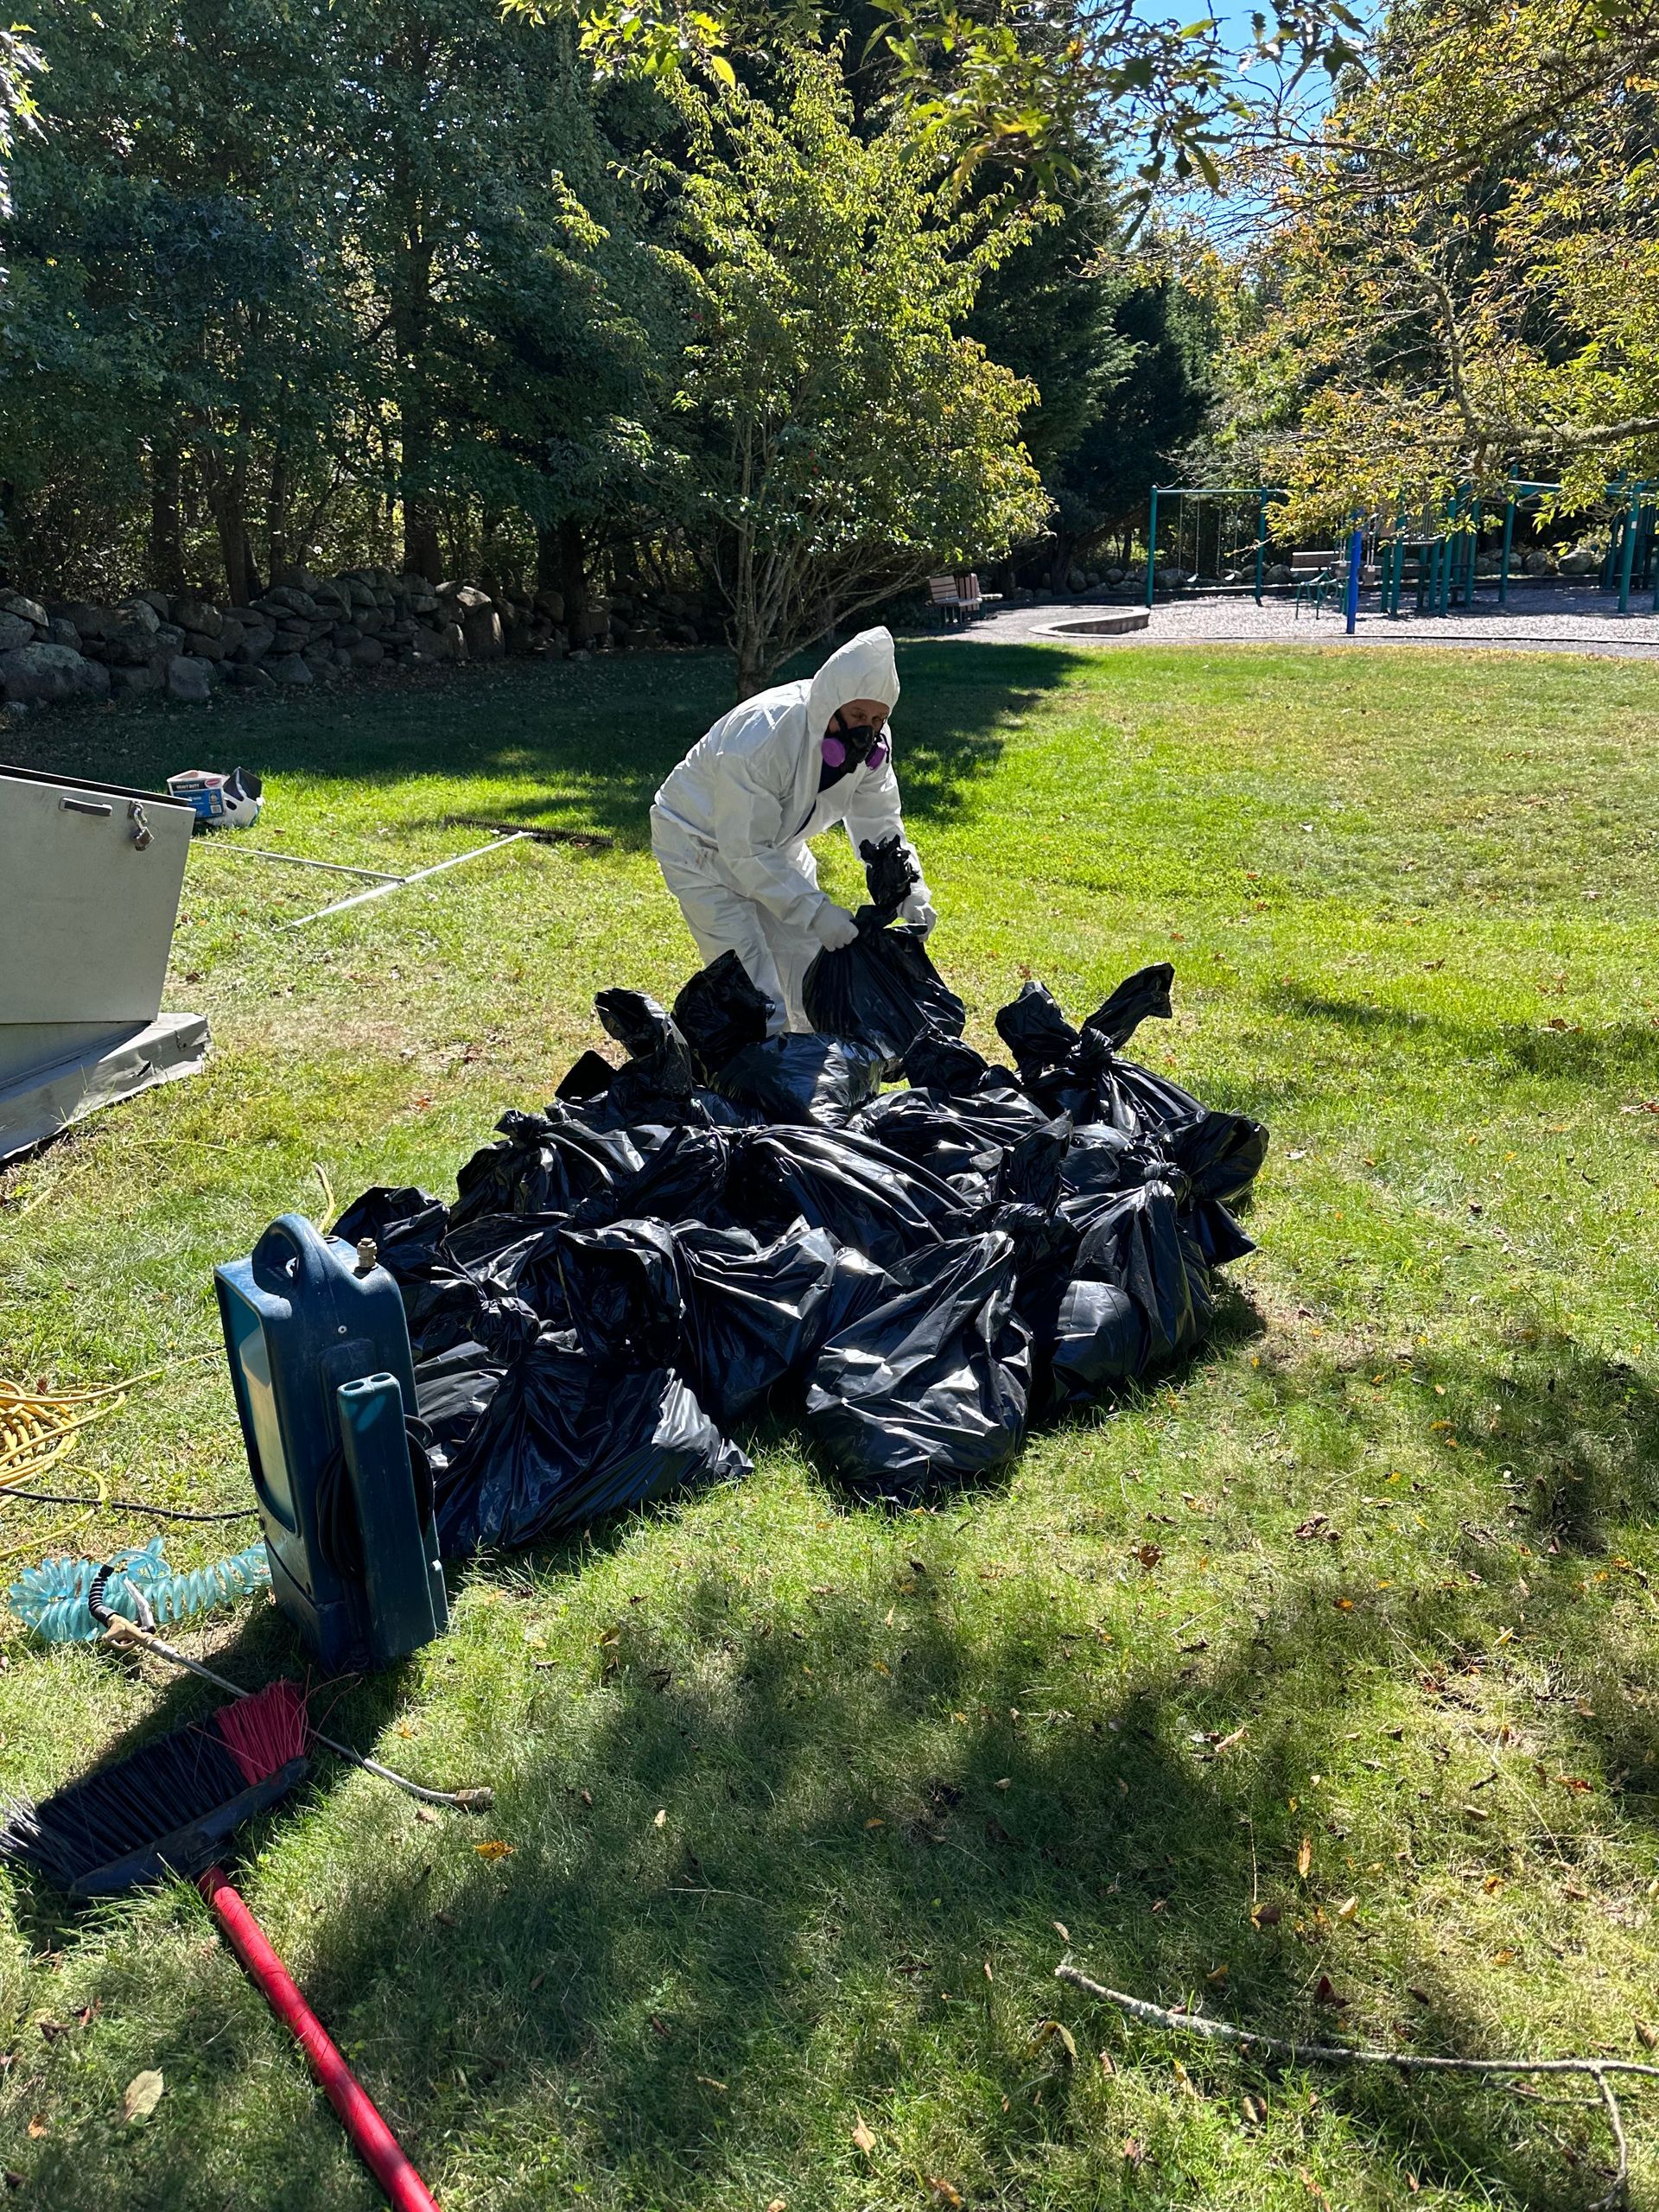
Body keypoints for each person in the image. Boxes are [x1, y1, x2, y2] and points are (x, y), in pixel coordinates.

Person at [650, 626, 935, 1033]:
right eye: (857, 716)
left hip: (774, 844)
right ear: (830, 706)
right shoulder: (764, 737)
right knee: (752, 984)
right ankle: (762, 1085)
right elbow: (743, 850)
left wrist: (909, 889)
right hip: (698, 845)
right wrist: (815, 910)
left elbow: (881, 823)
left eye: (877, 718)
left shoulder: (874, 747)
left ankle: (814, 1081)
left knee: (808, 968)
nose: (866, 731)